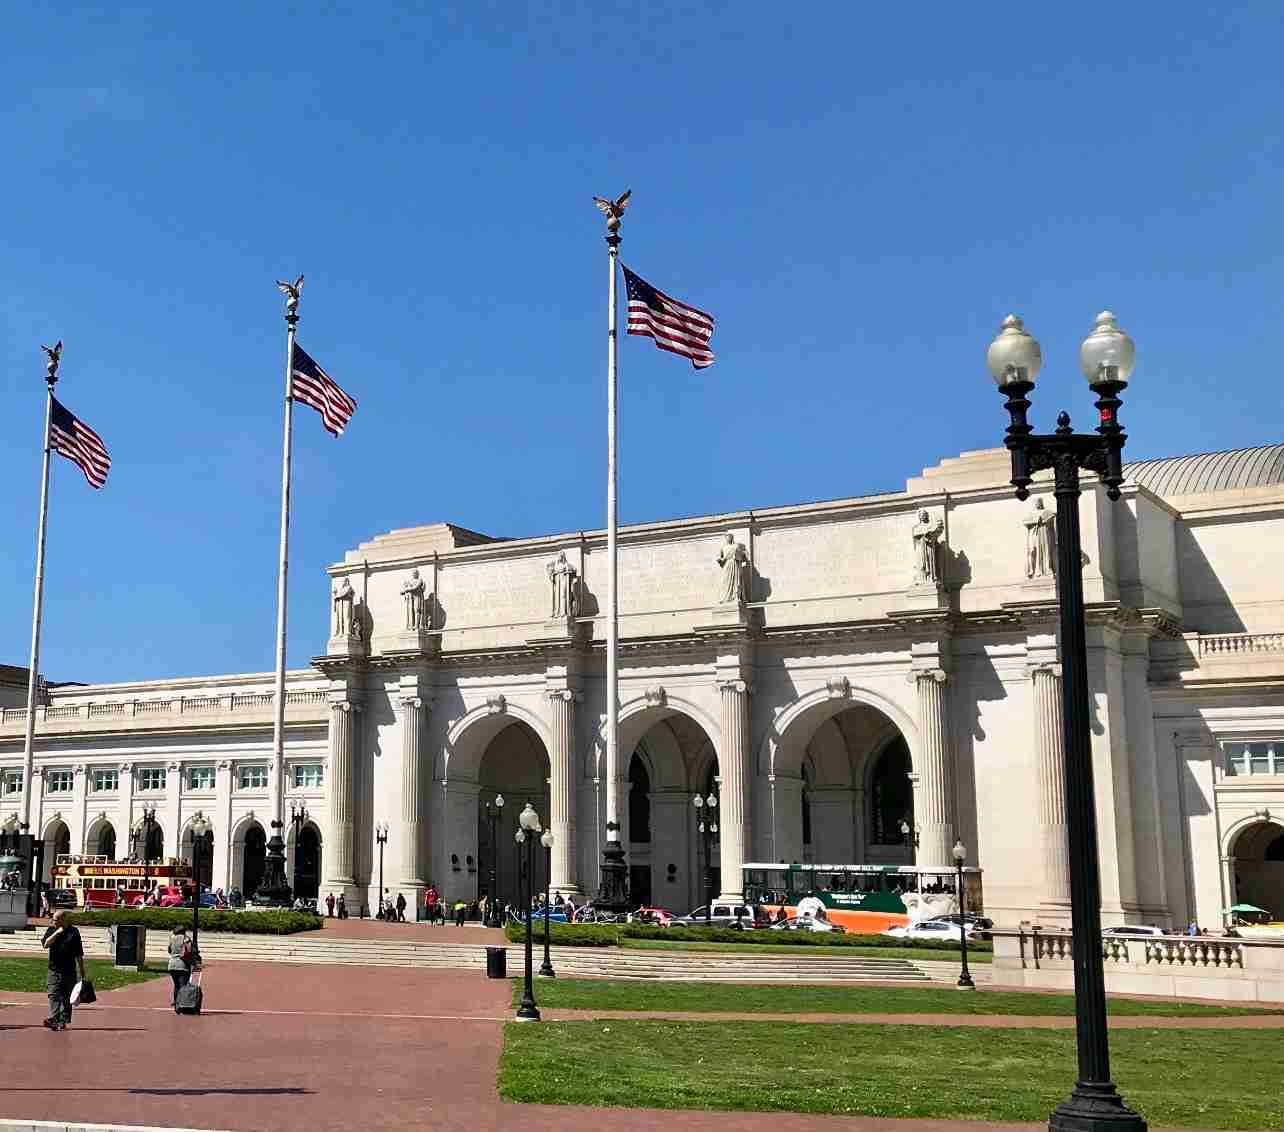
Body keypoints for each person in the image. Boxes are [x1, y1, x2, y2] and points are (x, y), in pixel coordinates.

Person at [41, 910, 85, 1031]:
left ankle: (62, 1021)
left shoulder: (74, 932)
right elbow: (45, 944)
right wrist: (57, 933)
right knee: (53, 994)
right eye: (53, 920)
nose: (53, 922)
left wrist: (82, 971)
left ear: (63, 920)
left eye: (55, 920)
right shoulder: (52, 930)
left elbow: (79, 953)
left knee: (66, 997)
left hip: (69, 970)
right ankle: (55, 1019)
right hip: (53, 969)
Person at [166, 926, 196, 1012]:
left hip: (172, 964)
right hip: (182, 965)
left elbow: (169, 950)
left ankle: (176, 1003)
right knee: (183, 986)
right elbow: (189, 951)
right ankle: (182, 1005)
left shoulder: (172, 938)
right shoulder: (186, 939)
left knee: (176, 985)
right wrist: (194, 963)